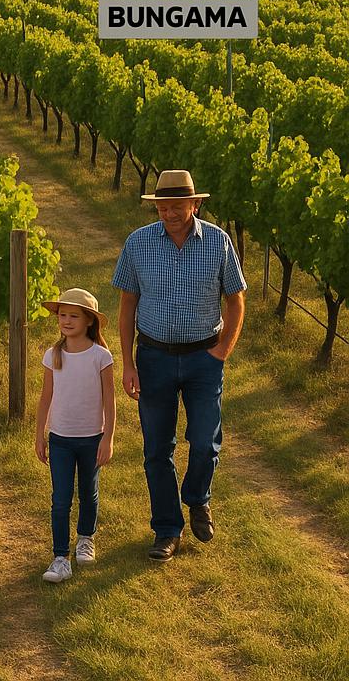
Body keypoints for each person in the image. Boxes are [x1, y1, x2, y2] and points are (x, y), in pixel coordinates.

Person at [112, 169, 246, 562]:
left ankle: (198, 497)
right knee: (157, 449)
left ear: (195, 204)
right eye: (162, 207)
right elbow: (127, 305)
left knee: (204, 441)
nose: (169, 213)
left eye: (176, 206)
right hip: (153, 358)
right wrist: (128, 363)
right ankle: (167, 530)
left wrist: (222, 351)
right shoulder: (138, 243)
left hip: (204, 359)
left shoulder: (219, 243)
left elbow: (236, 301)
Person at [35, 288, 116, 583]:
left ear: (89, 321)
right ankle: (60, 558)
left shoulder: (101, 356)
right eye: (62, 315)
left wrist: (108, 438)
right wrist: (40, 435)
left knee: (88, 493)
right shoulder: (53, 355)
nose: (66, 321)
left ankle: (85, 538)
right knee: (60, 499)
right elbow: (46, 397)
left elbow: (109, 400)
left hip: (92, 438)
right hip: (60, 439)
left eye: (74, 316)